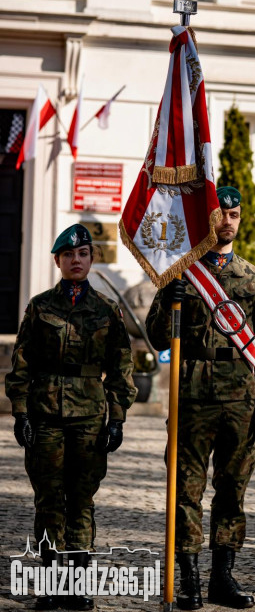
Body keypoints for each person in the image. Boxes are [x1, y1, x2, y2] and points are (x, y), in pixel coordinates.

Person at [146, 187, 255, 611]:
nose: (228, 221)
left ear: (241, 220)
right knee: (185, 490)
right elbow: (155, 335)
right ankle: (187, 578)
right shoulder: (181, 273)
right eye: (221, 214)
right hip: (192, 394)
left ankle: (223, 575)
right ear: (208, 219)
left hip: (240, 395)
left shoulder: (252, 277)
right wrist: (170, 303)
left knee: (231, 490)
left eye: (235, 214)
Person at [6, 224, 137, 611]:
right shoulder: (40, 306)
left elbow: (120, 367)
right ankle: (50, 584)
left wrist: (117, 417)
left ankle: (76, 586)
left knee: (81, 501)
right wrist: (19, 412)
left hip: (89, 418)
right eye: (68, 255)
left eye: (82, 254)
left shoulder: (106, 310)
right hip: (45, 416)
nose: (75, 260)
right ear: (58, 261)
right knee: (49, 500)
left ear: (91, 259)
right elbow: (22, 363)